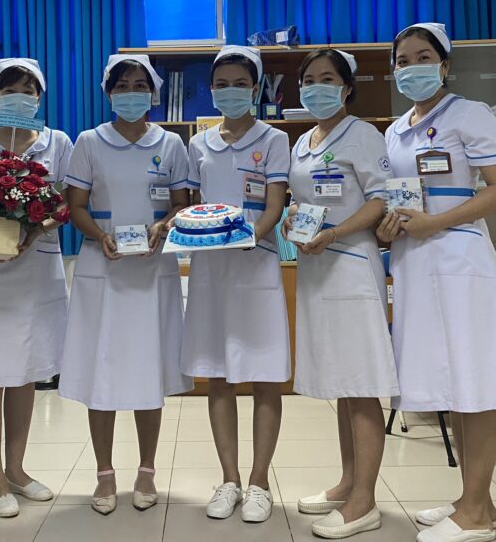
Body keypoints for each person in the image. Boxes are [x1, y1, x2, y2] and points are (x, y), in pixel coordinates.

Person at [379, 22, 496, 542]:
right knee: (451, 381)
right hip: (415, 259)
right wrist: (390, 226)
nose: (412, 67)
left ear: (444, 65)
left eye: (423, 57)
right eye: (403, 60)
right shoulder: (395, 130)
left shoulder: (469, 114)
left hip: (459, 259)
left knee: (475, 380)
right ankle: (474, 500)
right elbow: (399, 194)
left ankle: (476, 513)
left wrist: (435, 223)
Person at [59, 53, 192, 515]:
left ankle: (147, 469)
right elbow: (75, 206)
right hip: (103, 267)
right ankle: (104, 473)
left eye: (139, 86)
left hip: (152, 268)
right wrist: (100, 236)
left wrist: (163, 226)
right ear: (108, 92)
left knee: (147, 369)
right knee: (103, 369)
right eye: (122, 86)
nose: (131, 94)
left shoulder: (170, 144)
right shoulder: (89, 142)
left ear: (152, 94)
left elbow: (181, 203)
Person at [281, 48, 399, 540]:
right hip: (317, 267)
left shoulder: (363, 134)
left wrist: (334, 233)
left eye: (328, 79)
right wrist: (292, 219)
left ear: (347, 88)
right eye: (309, 79)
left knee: (361, 383)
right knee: (344, 386)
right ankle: (348, 483)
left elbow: (379, 200)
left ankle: (364, 502)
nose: (317, 87)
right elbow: (301, 199)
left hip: (350, 264)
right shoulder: (303, 141)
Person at [0, 58, 73, 518]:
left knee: (26, 372)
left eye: (28, 90)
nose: (19, 97)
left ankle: (17, 470)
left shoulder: (57, 143)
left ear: (40, 98)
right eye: (10, 90)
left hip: (37, 269)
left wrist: (34, 230)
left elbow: (67, 202)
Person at [180, 45, 290, 523]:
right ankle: (229, 479)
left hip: (257, 265)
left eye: (240, 84)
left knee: (264, 376)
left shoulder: (275, 139)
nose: (230, 91)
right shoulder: (199, 144)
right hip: (210, 270)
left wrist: (249, 238)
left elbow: (275, 205)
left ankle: (260, 482)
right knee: (218, 376)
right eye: (221, 84)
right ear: (211, 89)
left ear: (256, 88)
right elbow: (191, 204)